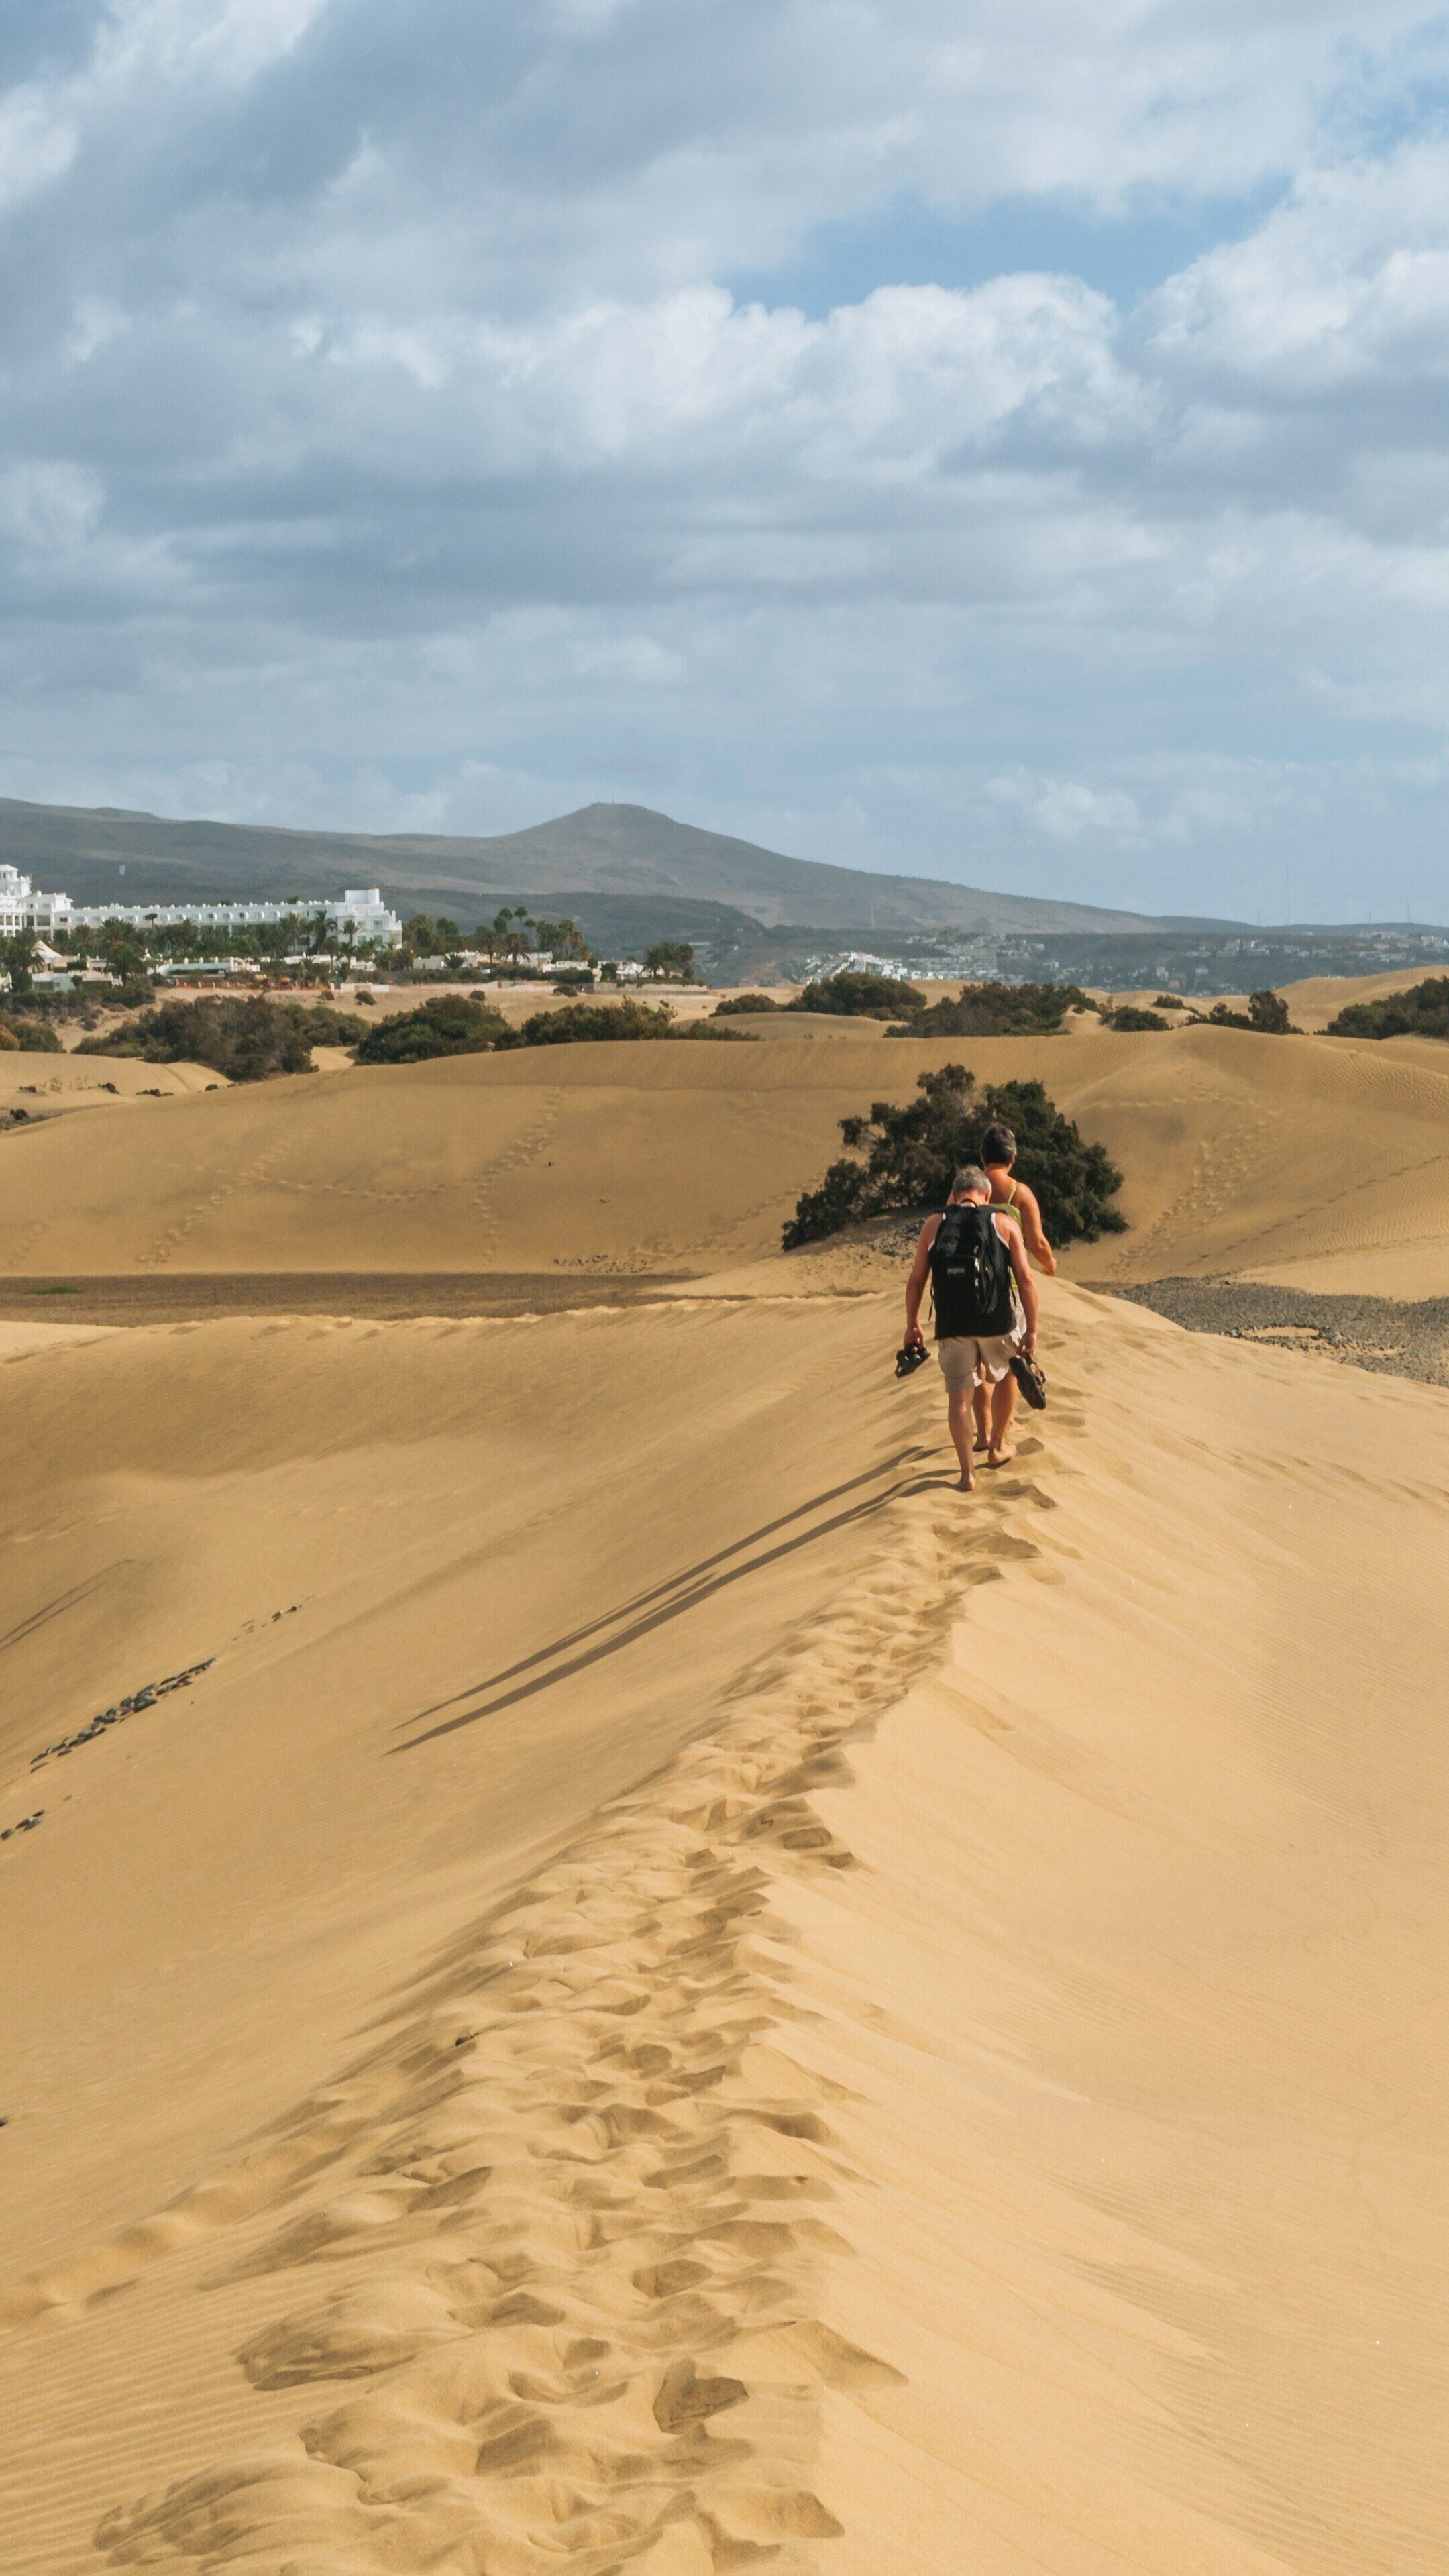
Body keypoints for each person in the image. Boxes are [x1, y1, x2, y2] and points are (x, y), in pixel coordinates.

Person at [904, 1165, 1039, 1491]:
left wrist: (912, 1325)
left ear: (953, 1196)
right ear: (987, 1195)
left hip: (953, 1325)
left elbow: (917, 1279)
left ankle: (967, 1474)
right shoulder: (1004, 1223)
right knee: (1007, 1375)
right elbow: (1025, 1277)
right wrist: (1031, 1329)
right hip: (997, 1320)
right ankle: (996, 1447)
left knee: (957, 1401)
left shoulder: (934, 1226)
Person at [975, 1121, 1054, 1456]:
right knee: (1009, 1363)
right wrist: (1050, 1266)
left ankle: (982, 1433)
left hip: (970, 1289)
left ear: (983, 1157)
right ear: (1013, 1158)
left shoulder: (968, 1190)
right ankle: (999, 1439)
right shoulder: (1019, 1194)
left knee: (978, 1364)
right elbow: (1036, 1242)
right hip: (1006, 1290)